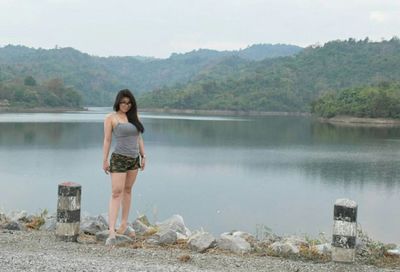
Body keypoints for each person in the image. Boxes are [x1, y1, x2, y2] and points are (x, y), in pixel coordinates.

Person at [102, 89, 146, 246]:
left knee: (128, 191)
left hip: (134, 159)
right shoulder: (111, 118)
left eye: (128, 103)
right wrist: (104, 160)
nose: (126, 105)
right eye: (123, 102)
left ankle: (124, 224)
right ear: (118, 102)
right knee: (116, 193)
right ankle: (112, 230)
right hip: (119, 159)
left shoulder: (134, 117)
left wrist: (143, 155)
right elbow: (107, 140)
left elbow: (138, 137)